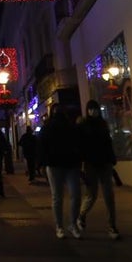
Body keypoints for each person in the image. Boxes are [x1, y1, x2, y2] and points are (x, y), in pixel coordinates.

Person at [77, 99, 121, 240]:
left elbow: (108, 143)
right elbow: (81, 146)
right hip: (91, 164)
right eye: (90, 109)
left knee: (109, 196)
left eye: (94, 109)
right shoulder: (83, 126)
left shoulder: (103, 124)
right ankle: (81, 215)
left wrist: (112, 158)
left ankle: (112, 226)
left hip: (105, 163)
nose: (93, 111)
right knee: (92, 195)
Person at [38, 102, 83, 239]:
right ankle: (60, 225)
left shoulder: (68, 127)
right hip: (56, 164)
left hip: (68, 164)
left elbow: (77, 143)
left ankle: (71, 223)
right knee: (58, 196)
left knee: (73, 194)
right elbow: (42, 146)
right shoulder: (50, 127)